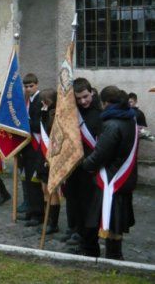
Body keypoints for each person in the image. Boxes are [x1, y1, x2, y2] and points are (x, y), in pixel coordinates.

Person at [82, 86, 138, 260]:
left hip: (110, 180)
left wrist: (85, 164)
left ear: (105, 103)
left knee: (104, 222)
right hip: (123, 178)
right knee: (116, 225)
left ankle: (105, 257)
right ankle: (115, 256)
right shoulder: (130, 119)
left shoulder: (112, 124)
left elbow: (101, 153)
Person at [64, 77, 103, 256]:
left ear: (91, 92)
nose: (83, 101)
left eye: (85, 96)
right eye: (78, 98)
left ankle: (90, 246)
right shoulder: (72, 112)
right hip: (74, 168)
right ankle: (80, 237)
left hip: (91, 169)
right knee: (75, 203)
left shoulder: (100, 113)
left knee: (89, 208)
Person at [17, 73, 44, 227]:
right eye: (26, 87)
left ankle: (38, 214)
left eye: (31, 86)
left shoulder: (40, 100)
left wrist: (25, 123)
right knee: (28, 180)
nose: (28, 89)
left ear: (36, 84)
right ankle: (31, 210)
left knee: (35, 182)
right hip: (28, 146)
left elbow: (40, 125)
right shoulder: (28, 100)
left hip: (37, 146)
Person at [35, 88, 60, 234]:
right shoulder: (45, 114)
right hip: (42, 155)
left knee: (52, 191)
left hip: (51, 156)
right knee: (44, 189)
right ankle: (47, 219)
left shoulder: (56, 115)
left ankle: (53, 223)